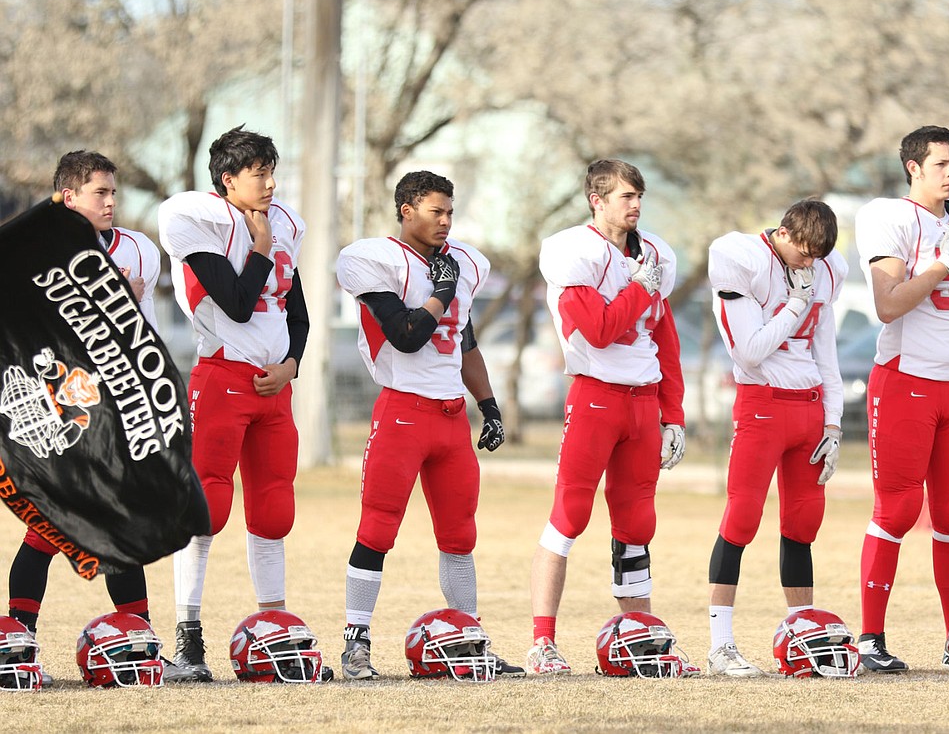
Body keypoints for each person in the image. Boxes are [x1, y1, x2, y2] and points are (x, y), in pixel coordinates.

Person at [5, 150, 198, 683]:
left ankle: (139, 642)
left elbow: (148, 341)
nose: (112, 202)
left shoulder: (137, 251)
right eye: (99, 193)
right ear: (67, 198)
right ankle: (16, 643)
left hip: (115, 412)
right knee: (44, 530)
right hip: (56, 411)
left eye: (113, 192)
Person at [333, 170, 522, 681]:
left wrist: (490, 405)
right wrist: (439, 293)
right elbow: (407, 335)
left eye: (450, 212)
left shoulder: (461, 262)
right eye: (435, 211)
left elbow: (464, 341)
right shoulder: (377, 260)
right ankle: (356, 643)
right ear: (406, 210)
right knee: (377, 530)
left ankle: (471, 637)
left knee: (460, 536)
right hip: (402, 412)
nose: (446, 221)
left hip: (450, 418)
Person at [157, 125, 312, 682]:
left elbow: (298, 313)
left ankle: (274, 629)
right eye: (259, 173)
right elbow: (239, 303)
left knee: (274, 510)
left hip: (275, 388)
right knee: (208, 509)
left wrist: (291, 365)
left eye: (273, 171)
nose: (271, 183)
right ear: (228, 180)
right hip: (221, 379)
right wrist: (262, 250)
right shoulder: (199, 220)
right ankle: (187, 637)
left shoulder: (285, 222)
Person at [527, 159, 688, 676]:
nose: (636, 204)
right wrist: (639, 287)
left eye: (639, 195)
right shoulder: (572, 250)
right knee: (570, 516)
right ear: (596, 200)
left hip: (642, 401)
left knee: (637, 523)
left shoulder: (656, 252)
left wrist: (674, 413)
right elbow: (598, 330)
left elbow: (665, 338)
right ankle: (542, 642)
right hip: (596, 395)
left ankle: (639, 637)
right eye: (625, 196)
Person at [852, 125, 949, 672]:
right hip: (905, 379)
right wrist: (941, 264)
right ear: (913, 167)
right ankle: (870, 638)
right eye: (940, 164)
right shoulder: (888, 217)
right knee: (896, 509)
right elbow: (887, 305)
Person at [704, 199, 849, 677]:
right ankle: (720, 644)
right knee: (742, 517)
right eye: (806, 253)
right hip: (762, 404)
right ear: (785, 233)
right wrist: (795, 304)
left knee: (803, 524)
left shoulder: (824, 268)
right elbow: (748, 352)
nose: (811, 264)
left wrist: (833, 423)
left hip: (809, 410)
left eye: (818, 258)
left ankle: (801, 633)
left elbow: (826, 356)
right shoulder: (740, 257)